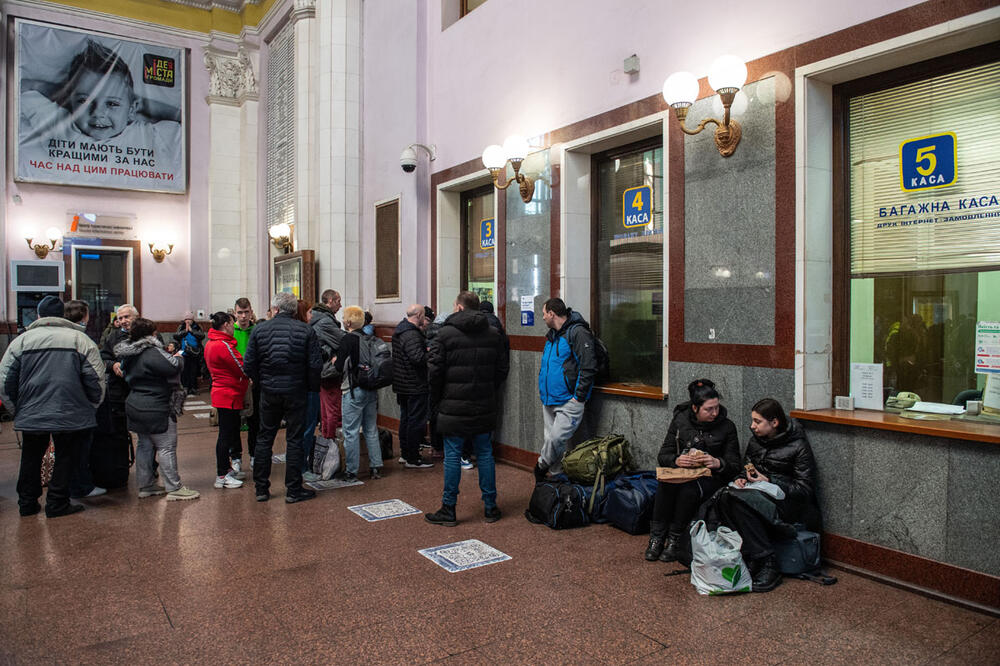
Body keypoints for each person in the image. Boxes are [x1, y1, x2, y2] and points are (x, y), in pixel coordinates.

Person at [0, 296, 105, 518]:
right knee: (65, 456)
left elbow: (5, 382)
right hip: (70, 411)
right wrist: (90, 406)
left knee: (30, 456)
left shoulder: (21, 341)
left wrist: (16, 409)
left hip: (31, 411)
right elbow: (95, 381)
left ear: (38, 315)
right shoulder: (81, 340)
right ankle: (57, 503)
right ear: (62, 316)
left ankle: (27, 503)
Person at [425, 291, 509, 527]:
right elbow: (502, 369)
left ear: (459, 308)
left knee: (452, 455)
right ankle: (491, 507)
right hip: (484, 402)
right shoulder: (493, 334)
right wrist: (488, 390)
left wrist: (438, 398)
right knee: (485, 453)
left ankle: (448, 509)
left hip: (452, 404)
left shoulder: (445, 334)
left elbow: (435, 372)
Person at [722, 398, 822, 592]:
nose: (752, 426)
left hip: (788, 503)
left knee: (743, 504)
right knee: (726, 496)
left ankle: (768, 562)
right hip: (757, 494)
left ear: (774, 423)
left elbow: (804, 490)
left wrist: (770, 481)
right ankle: (751, 555)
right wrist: (743, 478)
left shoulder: (798, 446)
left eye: (757, 422)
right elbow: (747, 469)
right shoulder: (755, 442)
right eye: (752, 420)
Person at [645, 379, 740, 562]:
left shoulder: (727, 427)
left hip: (710, 478)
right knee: (665, 486)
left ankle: (675, 538)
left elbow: (734, 464)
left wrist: (717, 462)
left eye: (716, 408)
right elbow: (664, 454)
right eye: (708, 409)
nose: (714, 413)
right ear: (695, 408)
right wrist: (677, 460)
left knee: (688, 491)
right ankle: (657, 537)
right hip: (683, 473)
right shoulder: (681, 421)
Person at [243, 292, 323, 503]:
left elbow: (248, 364)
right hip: (296, 391)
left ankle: (261, 489)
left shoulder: (260, 330)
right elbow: (315, 365)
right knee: (295, 440)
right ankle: (293, 490)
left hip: (268, 392)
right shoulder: (305, 330)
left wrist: (261, 382)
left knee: (264, 438)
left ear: (275, 309)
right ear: (294, 310)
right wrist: (310, 388)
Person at [115, 318, 199, 501]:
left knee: (145, 445)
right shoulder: (151, 352)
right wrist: (178, 357)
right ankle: (174, 487)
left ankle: (145, 486)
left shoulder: (128, 353)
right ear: (151, 334)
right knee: (166, 446)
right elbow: (173, 367)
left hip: (135, 403)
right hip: (156, 405)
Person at [535, 297, 598, 481]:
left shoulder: (577, 333)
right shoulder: (552, 336)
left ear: (552, 314)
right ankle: (555, 480)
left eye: (544, 314)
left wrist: (579, 398)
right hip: (549, 399)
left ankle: (540, 467)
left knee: (555, 440)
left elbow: (588, 366)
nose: (543, 318)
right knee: (552, 442)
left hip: (568, 400)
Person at [332, 306, 385, 481]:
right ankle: (376, 466)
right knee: (371, 428)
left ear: (347, 322)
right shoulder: (371, 338)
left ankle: (352, 471)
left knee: (351, 431)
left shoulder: (348, 339)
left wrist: (334, 361)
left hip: (353, 390)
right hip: (372, 388)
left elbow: (339, 367)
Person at [63, 300, 106, 499]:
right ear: (84, 316)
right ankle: (81, 486)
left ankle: (63, 487)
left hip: (57, 402)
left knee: (64, 448)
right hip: (79, 403)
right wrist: (95, 402)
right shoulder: (82, 340)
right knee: (80, 448)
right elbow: (94, 376)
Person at [204, 311, 249, 490]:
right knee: (226, 435)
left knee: (227, 433)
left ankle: (226, 470)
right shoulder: (223, 345)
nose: (234, 326)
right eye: (232, 323)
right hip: (228, 394)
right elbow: (241, 367)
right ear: (225, 325)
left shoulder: (211, 343)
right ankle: (222, 474)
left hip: (223, 392)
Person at [392, 304, 434, 468]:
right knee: (415, 421)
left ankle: (405, 453)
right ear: (418, 315)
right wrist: (430, 352)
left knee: (406, 419)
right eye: (423, 315)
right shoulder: (412, 334)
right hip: (414, 384)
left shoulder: (401, 330)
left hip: (403, 383)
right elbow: (417, 358)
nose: (425, 318)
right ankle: (413, 457)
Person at [309, 290, 346, 444]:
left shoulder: (317, 317)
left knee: (325, 408)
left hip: (321, 368)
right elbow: (342, 342)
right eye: (338, 301)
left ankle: (325, 440)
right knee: (332, 409)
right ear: (330, 301)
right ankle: (330, 445)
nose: (340, 305)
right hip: (328, 369)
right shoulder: (325, 321)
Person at [232, 297, 257, 472]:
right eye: (240, 313)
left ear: (251, 312)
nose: (243, 316)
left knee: (255, 421)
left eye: (246, 312)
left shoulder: (256, 330)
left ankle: (254, 454)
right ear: (234, 313)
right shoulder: (229, 332)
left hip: (253, 382)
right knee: (234, 422)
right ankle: (236, 456)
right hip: (235, 383)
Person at [173, 312, 205, 396]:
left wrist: (192, 331)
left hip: (195, 352)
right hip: (183, 352)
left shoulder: (197, 327)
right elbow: (176, 336)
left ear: (192, 320)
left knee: (194, 371)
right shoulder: (181, 326)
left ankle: (193, 388)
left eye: (189, 319)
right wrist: (185, 331)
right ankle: (185, 387)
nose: (187, 321)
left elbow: (202, 336)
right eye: (186, 319)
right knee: (184, 371)